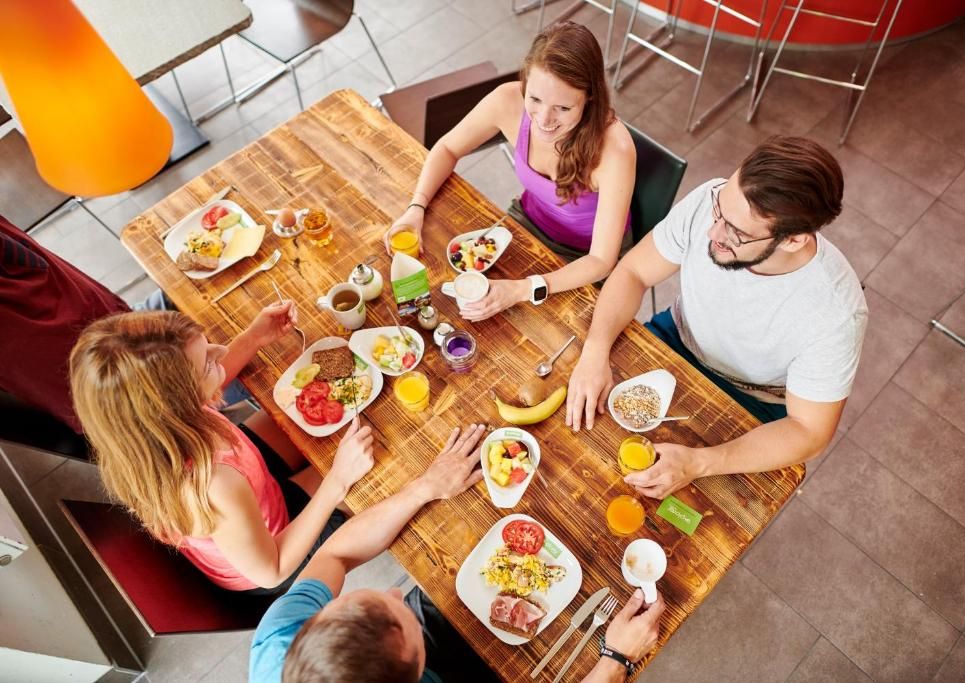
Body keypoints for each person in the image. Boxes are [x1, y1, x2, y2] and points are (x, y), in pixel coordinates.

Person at [567, 136, 868, 499]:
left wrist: (699, 463)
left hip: (752, 400)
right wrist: (595, 351)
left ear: (793, 240)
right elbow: (634, 271)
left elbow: (808, 431)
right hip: (676, 339)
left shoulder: (835, 314)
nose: (713, 233)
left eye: (737, 233)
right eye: (719, 210)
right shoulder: (710, 201)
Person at [250, 423, 665, 683]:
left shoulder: (281, 640)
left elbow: (333, 556)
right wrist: (617, 659)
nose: (396, 593)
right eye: (401, 618)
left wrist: (425, 487)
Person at [69, 310, 374, 593]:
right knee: (371, 477)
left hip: (257, 491)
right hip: (277, 553)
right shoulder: (214, 485)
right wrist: (336, 479)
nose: (222, 352)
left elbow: (206, 378)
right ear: (177, 400)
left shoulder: (155, 424)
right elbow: (272, 570)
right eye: (207, 362)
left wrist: (253, 338)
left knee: (304, 414)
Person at [383, 21, 636, 322]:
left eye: (563, 108)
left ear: (590, 98)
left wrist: (523, 289)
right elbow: (448, 148)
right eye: (535, 99)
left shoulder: (616, 150)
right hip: (528, 224)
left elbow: (601, 260)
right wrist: (416, 207)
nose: (544, 120)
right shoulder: (507, 101)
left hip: (587, 259)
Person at [0, 212, 249, 438]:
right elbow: (179, 393)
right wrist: (252, 339)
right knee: (253, 373)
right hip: (141, 386)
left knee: (199, 289)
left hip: (116, 322)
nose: (220, 350)